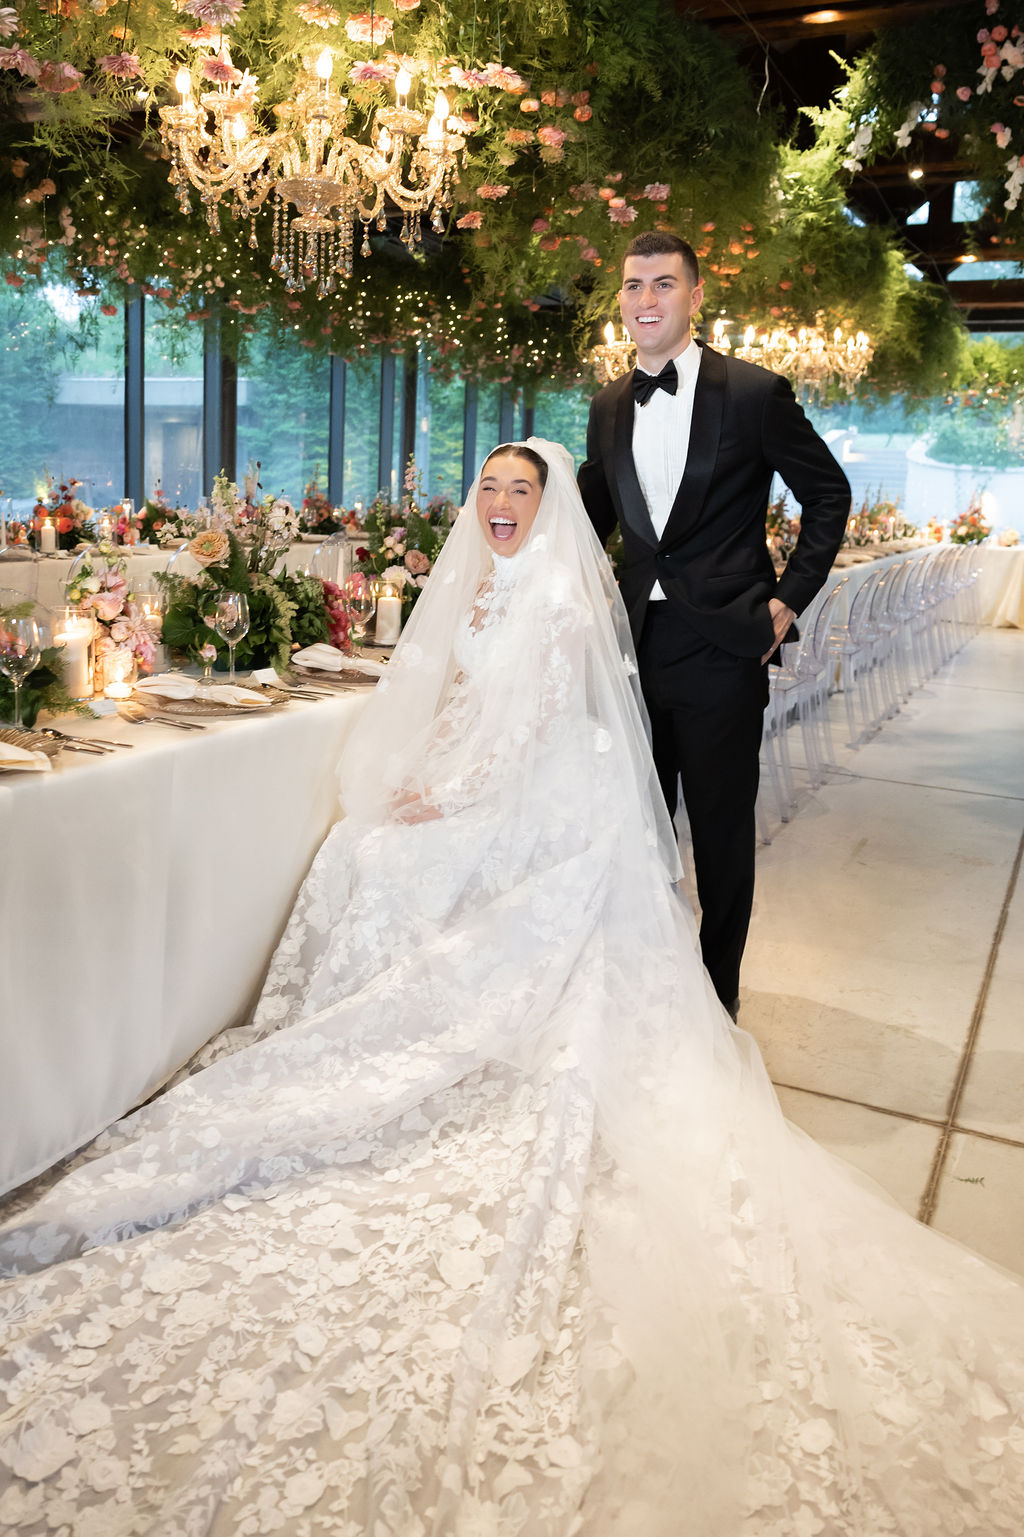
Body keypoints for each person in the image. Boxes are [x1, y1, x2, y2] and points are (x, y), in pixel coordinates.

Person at [2, 440, 1024, 1537]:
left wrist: (444, 796)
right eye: (488, 487)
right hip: (501, 775)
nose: (498, 502)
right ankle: (372, 1008)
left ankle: (414, 1022)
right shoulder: (488, 582)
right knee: (363, 845)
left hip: (547, 795)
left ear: (550, 508)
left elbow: (527, 731)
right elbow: (459, 698)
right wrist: (421, 768)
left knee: (389, 857)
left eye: (519, 490)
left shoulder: (560, 602)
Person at [578, 231, 852, 1017]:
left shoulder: (755, 394)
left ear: (695, 296)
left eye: (663, 284)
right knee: (637, 830)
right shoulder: (608, 405)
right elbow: (591, 517)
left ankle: (716, 999)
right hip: (633, 647)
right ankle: (647, 987)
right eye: (633, 286)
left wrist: (789, 597)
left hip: (724, 647)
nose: (646, 300)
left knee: (722, 835)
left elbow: (827, 494)